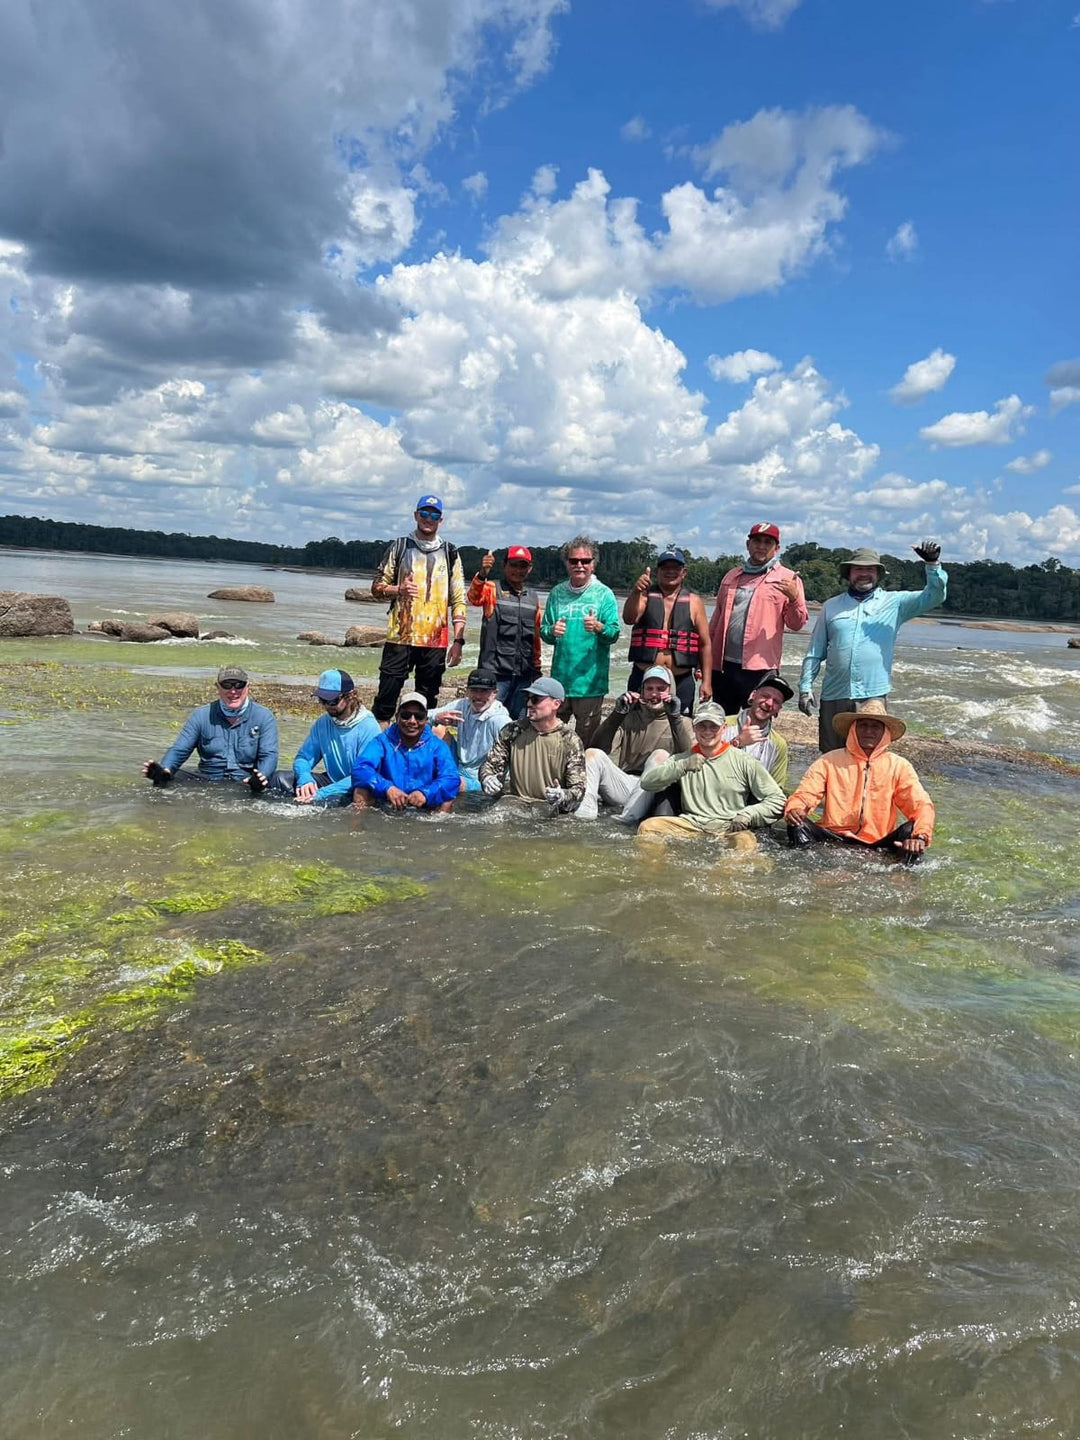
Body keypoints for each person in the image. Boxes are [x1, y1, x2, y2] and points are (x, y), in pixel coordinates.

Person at [798, 541, 947, 752]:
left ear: (878, 574)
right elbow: (815, 652)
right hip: (834, 695)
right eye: (859, 569)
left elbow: (935, 596)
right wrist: (805, 688)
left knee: (870, 757)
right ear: (849, 573)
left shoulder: (896, 603)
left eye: (870, 569)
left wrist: (932, 565)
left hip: (873, 695)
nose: (864, 574)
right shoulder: (831, 606)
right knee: (832, 756)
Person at [783, 700, 934, 862]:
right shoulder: (829, 761)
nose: (868, 731)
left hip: (879, 842)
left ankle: (901, 877)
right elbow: (806, 793)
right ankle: (808, 868)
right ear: (854, 729)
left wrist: (920, 836)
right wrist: (795, 808)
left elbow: (921, 805)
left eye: (875, 726)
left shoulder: (899, 766)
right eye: (863, 725)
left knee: (912, 831)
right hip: (833, 837)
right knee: (797, 824)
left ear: (885, 732)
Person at [370, 494, 467, 723]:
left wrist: (458, 642)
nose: (428, 518)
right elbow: (376, 587)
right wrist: (398, 590)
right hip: (400, 637)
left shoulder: (450, 552)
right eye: (424, 513)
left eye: (433, 515)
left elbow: (459, 600)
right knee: (385, 701)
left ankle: (420, 753)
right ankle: (380, 752)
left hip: (435, 641)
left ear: (440, 520)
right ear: (416, 515)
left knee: (427, 706)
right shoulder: (400, 546)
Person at [637, 700, 785, 847]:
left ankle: (725, 871)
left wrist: (749, 814)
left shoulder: (744, 761)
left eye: (714, 726)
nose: (707, 732)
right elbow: (647, 783)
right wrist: (682, 767)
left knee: (745, 842)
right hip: (691, 824)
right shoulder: (682, 759)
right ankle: (656, 868)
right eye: (702, 726)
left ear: (724, 728)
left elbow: (778, 800)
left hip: (729, 827)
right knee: (649, 827)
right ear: (694, 728)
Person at [709, 522, 807, 718]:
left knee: (756, 721)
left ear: (776, 548)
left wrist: (794, 597)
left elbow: (796, 624)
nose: (761, 546)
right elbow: (716, 620)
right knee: (721, 720)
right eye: (756, 541)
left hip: (760, 667)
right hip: (723, 665)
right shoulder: (732, 575)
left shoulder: (789, 578)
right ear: (748, 544)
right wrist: (704, 661)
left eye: (767, 542)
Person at [576, 664, 694, 823]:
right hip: (626, 785)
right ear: (642, 691)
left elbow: (688, 758)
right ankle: (585, 814)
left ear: (671, 691)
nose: (654, 694)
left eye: (661, 689)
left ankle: (626, 819)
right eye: (649, 688)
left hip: (656, 789)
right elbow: (599, 746)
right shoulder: (630, 718)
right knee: (592, 754)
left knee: (660, 755)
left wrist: (674, 719)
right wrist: (617, 715)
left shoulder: (685, 723)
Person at [540, 536, 621, 747]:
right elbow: (544, 632)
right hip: (560, 681)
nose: (579, 565)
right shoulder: (557, 593)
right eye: (574, 560)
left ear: (593, 564)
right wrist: (552, 631)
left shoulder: (604, 594)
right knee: (553, 739)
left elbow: (614, 633)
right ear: (566, 563)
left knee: (585, 743)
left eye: (585, 561)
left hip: (590, 685)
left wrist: (598, 627)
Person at [142, 665, 277, 791]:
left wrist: (262, 775)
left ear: (247, 687)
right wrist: (166, 769)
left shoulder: (264, 716)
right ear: (217, 687)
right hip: (207, 779)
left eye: (239, 685)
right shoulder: (201, 715)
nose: (233, 691)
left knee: (281, 779)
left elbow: (269, 755)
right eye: (227, 685)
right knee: (168, 778)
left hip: (246, 780)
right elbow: (180, 749)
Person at [623, 547, 712, 715]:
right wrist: (636, 591)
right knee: (636, 722)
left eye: (676, 568)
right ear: (657, 571)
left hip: (681, 679)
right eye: (665, 568)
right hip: (643, 676)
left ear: (683, 572)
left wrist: (706, 682)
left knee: (681, 726)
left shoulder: (694, 602)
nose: (670, 572)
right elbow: (629, 618)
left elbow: (705, 644)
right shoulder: (644, 596)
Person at [478, 677, 586, 814]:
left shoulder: (570, 740)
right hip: (514, 805)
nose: (529, 703)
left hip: (550, 811)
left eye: (536, 699)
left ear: (556, 704)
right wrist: (487, 778)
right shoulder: (512, 731)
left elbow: (578, 789)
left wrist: (562, 796)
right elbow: (490, 765)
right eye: (528, 698)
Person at [271, 669, 379, 805]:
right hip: (332, 780)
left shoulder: (369, 727)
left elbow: (363, 775)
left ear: (350, 696)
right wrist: (305, 778)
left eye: (332, 700)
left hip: (356, 787)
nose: (327, 706)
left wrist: (321, 794)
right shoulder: (323, 722)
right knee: (278, 779)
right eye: (323, 700)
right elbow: (303, 758)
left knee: (322, 803)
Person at [467, 545, 543, 719]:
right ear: (504, 565)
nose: (518, 570)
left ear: (529, 569)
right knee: (488, 719)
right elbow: (473, 598)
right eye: (514, 565)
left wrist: (536, 669)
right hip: (495, 674)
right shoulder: (492, 588)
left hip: (524, 675)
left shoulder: (533, 598)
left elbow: (536, 637)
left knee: (519, 723)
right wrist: (482, 574)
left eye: (522, 566)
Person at [351, 692, 460, 813]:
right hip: (388, 800)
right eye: (406, 715)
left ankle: (437, 830)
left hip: (424, 801)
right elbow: (361, 768)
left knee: (447, 799)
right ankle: (358, 830)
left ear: (426, 719)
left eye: (418, 716)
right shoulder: (382, 741)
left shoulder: (437, 746)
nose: (412, 721)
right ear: (397, 717)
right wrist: (387, 788)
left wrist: (426, 793)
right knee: (360, 791)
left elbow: (451, 778)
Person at [430, 668, 511, 792]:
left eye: (484, 691)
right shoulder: (462, 706)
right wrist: (437, 718)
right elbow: (423, 715)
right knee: (437, 728)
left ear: (495, 693)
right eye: (474, 690)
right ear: (467, 691)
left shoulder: (500, 720)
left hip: (480, 777)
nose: (478, 696)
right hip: (459, 763)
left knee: (453, 783)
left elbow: (514, 754)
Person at [719, 670, 794, 789]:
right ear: (753, 696)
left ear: (779, 709)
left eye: (776, 701)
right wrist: (737, 742)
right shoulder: (722, 725)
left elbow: (776, 789)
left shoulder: (779, 745)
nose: (769, 703)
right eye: (765, 696)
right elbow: (704, 765)